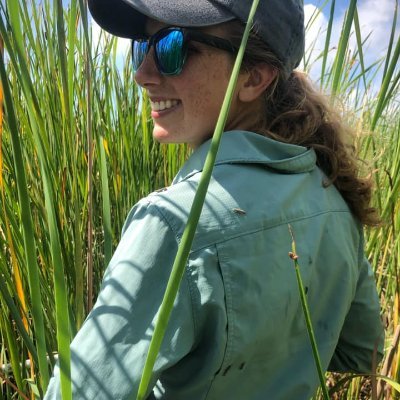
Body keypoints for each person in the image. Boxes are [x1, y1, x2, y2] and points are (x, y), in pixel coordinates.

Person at [44, 0, 384, 399]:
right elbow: (364, 351)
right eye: (143, 46)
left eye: (172, 47)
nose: (142, 74)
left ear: (253, 78)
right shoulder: (335, 203)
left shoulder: (174, 223)